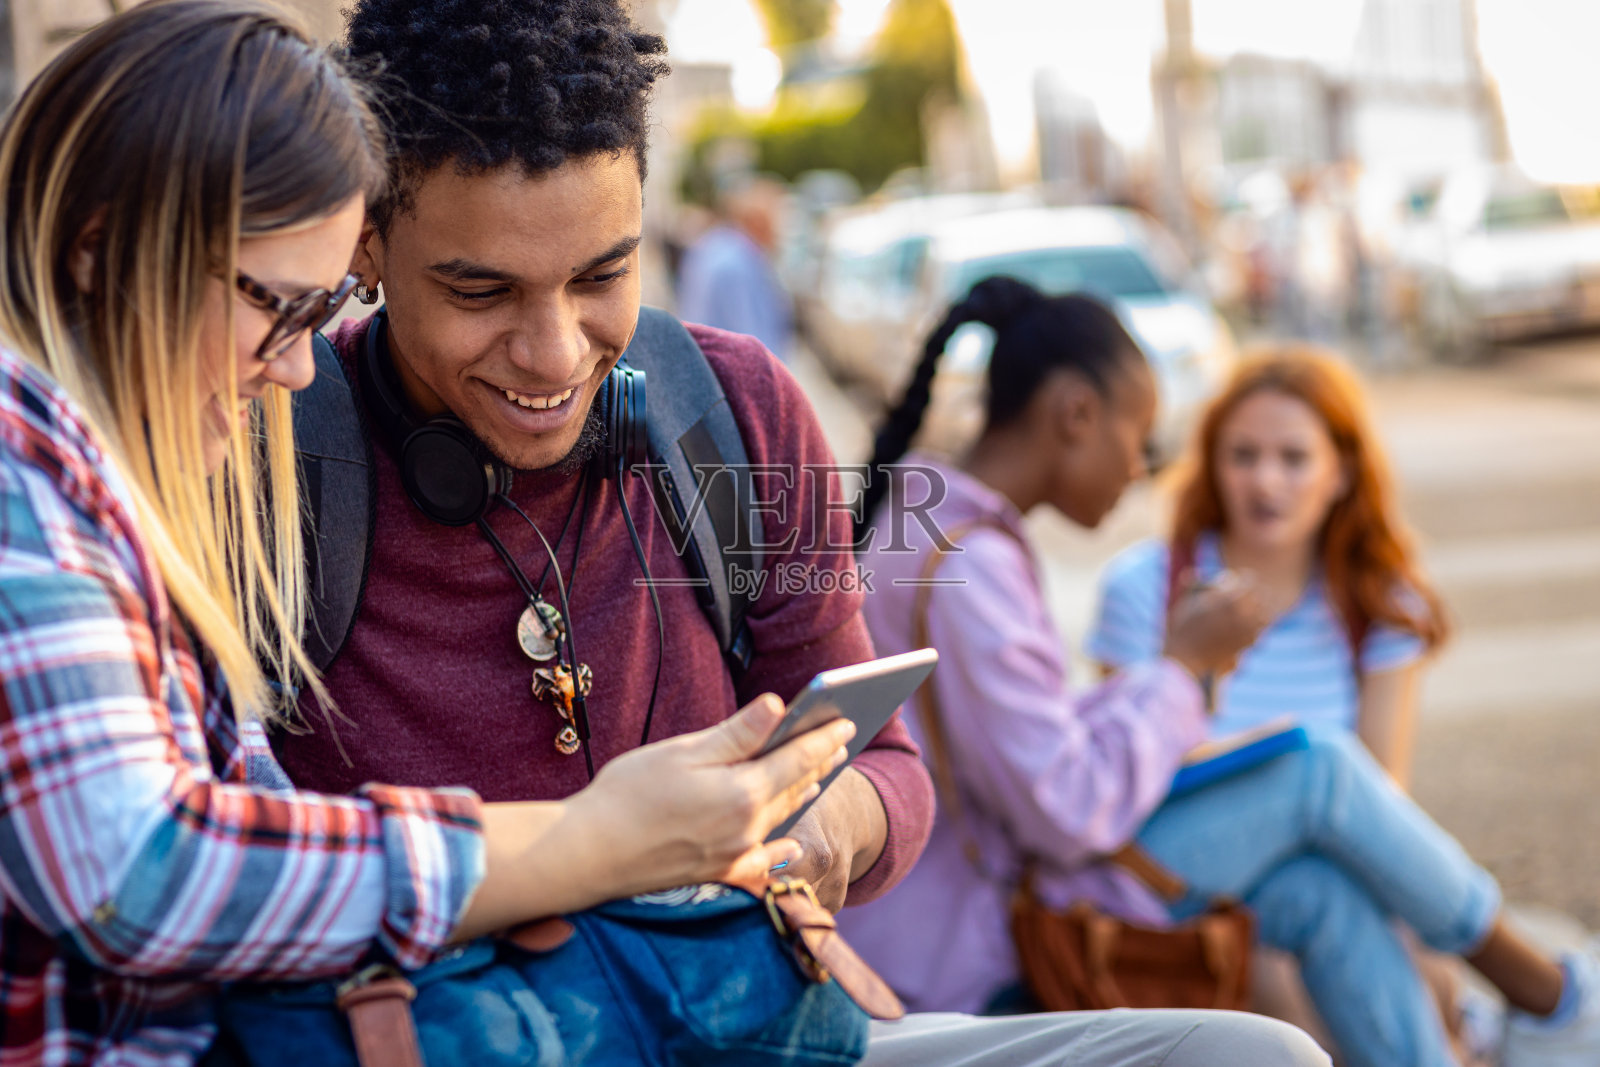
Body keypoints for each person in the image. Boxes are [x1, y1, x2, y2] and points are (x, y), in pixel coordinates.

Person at [269, 0, 1331, 1062]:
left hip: (746, 1019)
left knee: (1256, 1052)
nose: (553, 355)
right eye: (480, 289)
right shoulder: (267, 458)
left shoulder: (726, 410)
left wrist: (823, 832)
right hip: (461, 1036)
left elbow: (887, 766)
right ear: (367, 239)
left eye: (602, 277)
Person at [0, 3, 854, 1062]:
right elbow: (143, 871)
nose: (297, 367)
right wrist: (589, 844)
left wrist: (766, 846)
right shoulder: (24, 484)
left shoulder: (104, 486)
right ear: (98, 255)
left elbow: (246, 814)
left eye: (600, 275)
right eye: (285, 311)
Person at [837, 274, 1600, 1067]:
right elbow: (1063, 808)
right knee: (1317, 767)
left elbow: (1033, 752)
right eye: (1140, 437)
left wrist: (1178, 673)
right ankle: (1554, 1000)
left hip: (998, 889)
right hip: (985, 926)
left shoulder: (942, 532)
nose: (1139, 468)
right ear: (1076, 417)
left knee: (1321, 893)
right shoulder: (969, 560)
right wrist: (1182, 668)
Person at [1086, 350, 1492, 1062]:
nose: (1265, 480)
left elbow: (1380, 802)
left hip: (1319, 868)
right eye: (1243, 455)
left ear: (1341, 471)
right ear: (1211, 465)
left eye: (1293, 457)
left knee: (1355, 918)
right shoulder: (1144, 587)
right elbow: (1131, 777)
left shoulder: (1377, 601)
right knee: (1318, 770)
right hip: (1170, 864)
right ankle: (1545, 987)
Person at [676, 173, 796, 361]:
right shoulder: (739, 264)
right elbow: (755, 349)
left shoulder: (712, 245)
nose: (781, 231)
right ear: (758, 220)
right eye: (777, 219)